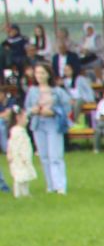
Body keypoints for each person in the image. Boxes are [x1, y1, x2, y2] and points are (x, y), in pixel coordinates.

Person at [21, 64, 71, 195]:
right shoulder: (32, 91)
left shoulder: (57, 91)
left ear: (48, 74)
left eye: (42, 73)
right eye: (37, 73)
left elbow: (67, 107)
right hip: (38, 124)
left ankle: (60, 185)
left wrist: (53, 111)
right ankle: (50, 185)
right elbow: (26, 109)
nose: (39, 76)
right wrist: (33, 110)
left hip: (53, 124)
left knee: (55, 156)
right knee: (44, 156)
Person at [7, 115, 34, 197]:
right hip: (19, 158)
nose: (27, 120)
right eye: (25, 118)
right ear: (18, 118)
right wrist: (21, 156)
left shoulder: (21, 131)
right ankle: (17, 193)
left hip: (23, 157)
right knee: (19, 176)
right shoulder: (16, 132)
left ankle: (25, 192)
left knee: (25, 176)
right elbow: (15, 145)